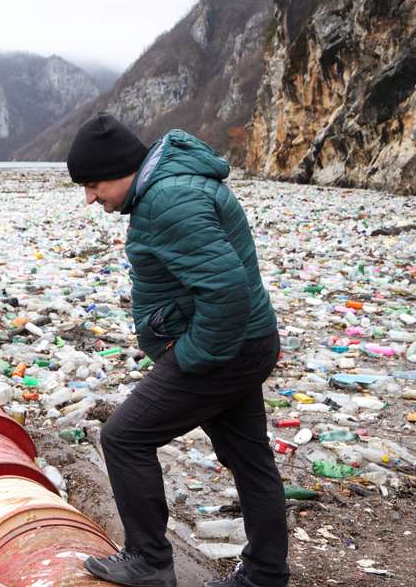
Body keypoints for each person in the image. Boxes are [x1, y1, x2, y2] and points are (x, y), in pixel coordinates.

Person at [65, 114, 289, 587]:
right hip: (246, 341)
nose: (89, 198)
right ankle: (265, 575)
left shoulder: (168, 200)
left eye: (92, 184)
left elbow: (226, 291)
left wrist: (194, 359)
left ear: (122, 169)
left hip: (223, 348)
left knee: (124, 438)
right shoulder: (172, 186)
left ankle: (148, 561)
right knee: (249, 458)